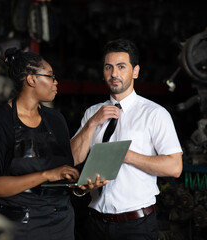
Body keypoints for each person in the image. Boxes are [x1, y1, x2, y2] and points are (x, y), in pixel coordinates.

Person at [0, 47, 106, 240]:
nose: (56, 82)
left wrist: (80, 187)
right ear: (31, 79)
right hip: (19, 224)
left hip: (60, 222)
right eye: (50, 76)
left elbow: (62, 173)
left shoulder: (56, 119)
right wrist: (46, 175)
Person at [70, 38, 183, 240]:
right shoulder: (92, 112)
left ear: (135, 71)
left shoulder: (154, 113)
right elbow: (74, 159)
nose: (114, 74)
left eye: (121, 67)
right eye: (108, 67)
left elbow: (174, 167)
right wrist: (92, 124)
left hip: (136, 225)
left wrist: (125, 155)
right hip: (95, 222)